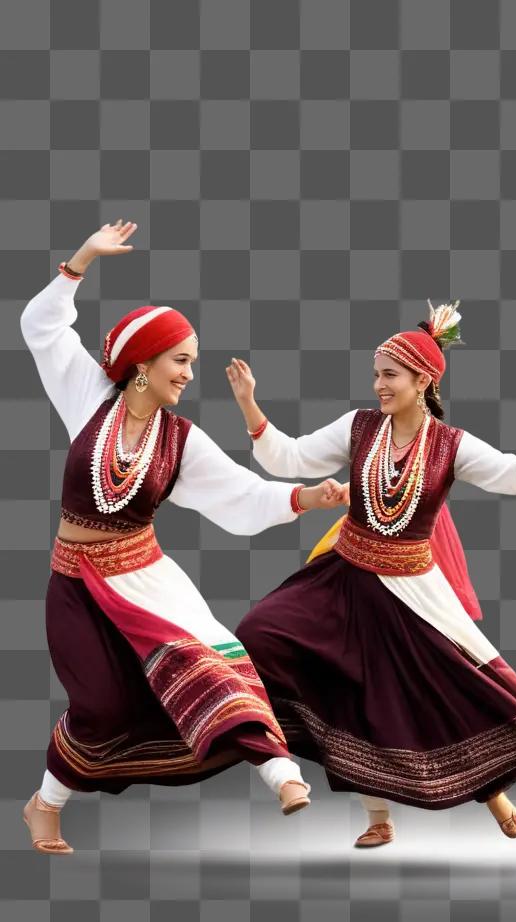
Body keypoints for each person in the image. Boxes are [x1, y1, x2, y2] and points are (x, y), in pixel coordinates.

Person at [20, 221, 347, 855]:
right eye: (181, 361)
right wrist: (82, 259)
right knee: (101, 706)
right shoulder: (89, 396)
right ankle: (44, 803)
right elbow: (40, 327)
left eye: (192, 364)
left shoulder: (182, 439)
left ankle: (281, 773)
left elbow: (241, 497)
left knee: (211, 664)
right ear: (142, 363)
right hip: (75, 584)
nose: (189, 375)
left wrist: (308, 497)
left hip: (145, 579)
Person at [227, 302, 516, 847]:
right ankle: (375, 817)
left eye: (389, 375)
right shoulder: (359, 426)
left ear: (423, 380)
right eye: (376, 374)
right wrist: (250, 406)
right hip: (344, 580)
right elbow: (291, 457)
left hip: (410, 592)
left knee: (442, 695)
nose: (378, 385)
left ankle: (493, 793)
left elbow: (513, 475)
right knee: (267, 640)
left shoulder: (450, 444)